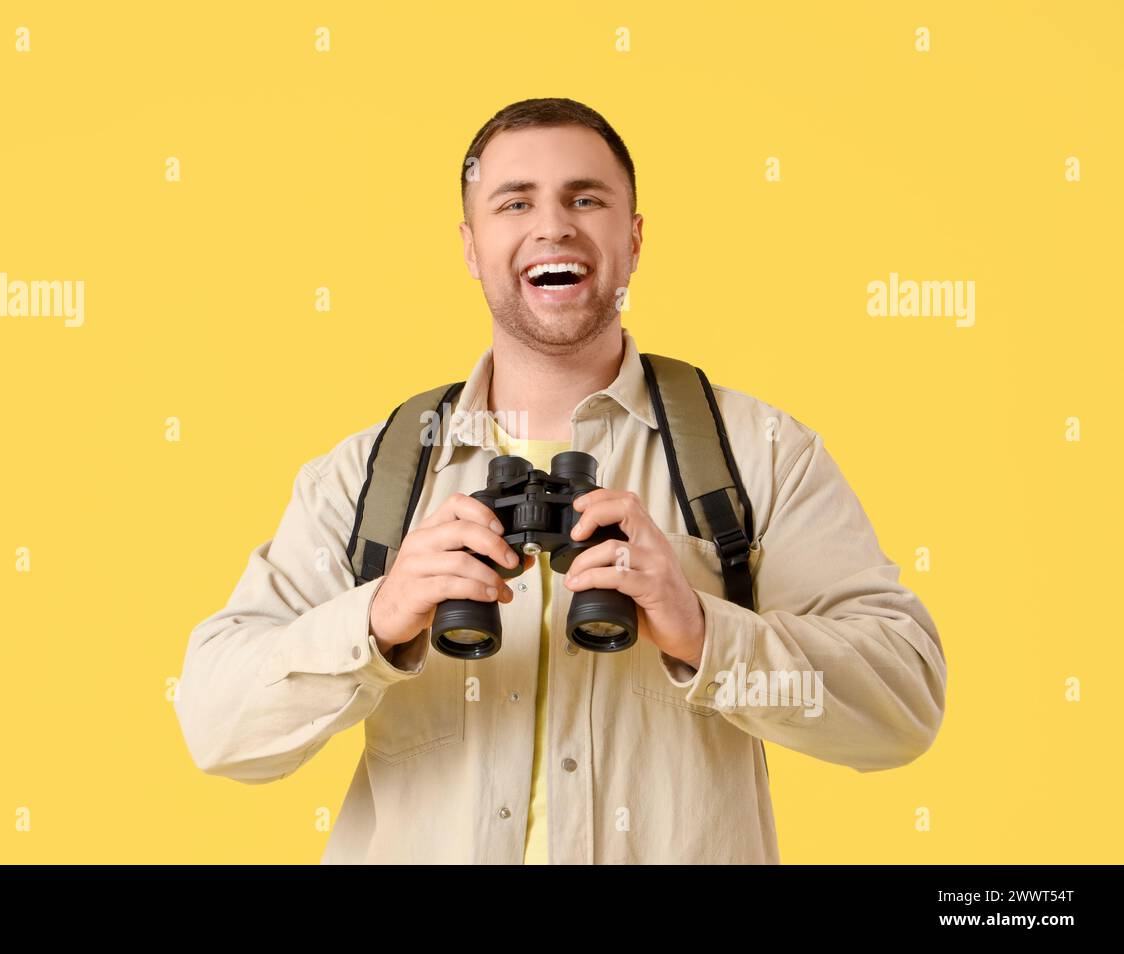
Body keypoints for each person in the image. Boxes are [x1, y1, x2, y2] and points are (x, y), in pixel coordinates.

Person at [173, 97, 947, 864]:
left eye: (586, 198)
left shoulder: (759, 454)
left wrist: (701, 628)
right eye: (515, 202)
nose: (554, 226)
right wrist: (377, 620)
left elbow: (904, 702)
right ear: (472, 246)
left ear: (634, 238)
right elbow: (214, 725)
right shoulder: (373, 477)